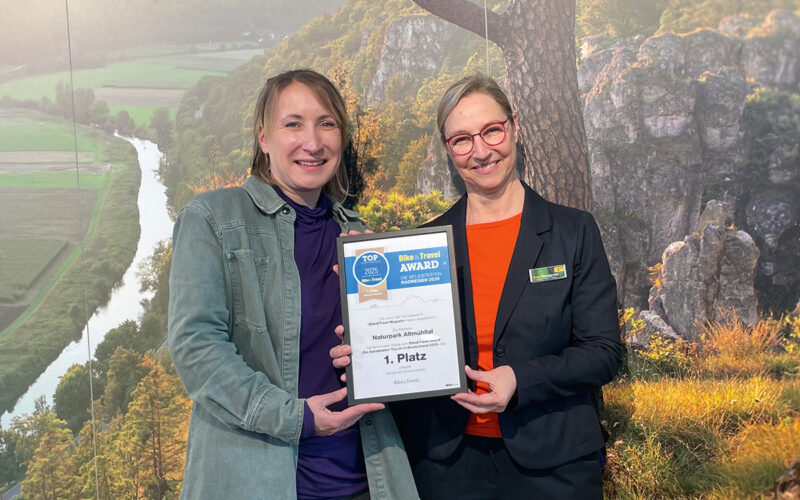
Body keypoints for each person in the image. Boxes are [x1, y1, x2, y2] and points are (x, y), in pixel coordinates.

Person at [332, 74, 623, 499]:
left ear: (514, 128)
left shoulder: (572, 231)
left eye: (491, 130)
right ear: (448, 150)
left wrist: (520, 379)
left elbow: (604, 352)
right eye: (462, 139)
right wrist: (363, 345)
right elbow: (400, 354)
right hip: (444, 465)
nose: (482, 151)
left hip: (555, 463)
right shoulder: (420, 247)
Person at [168, 69, 417, 500]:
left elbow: (391, 358)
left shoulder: (360, 238)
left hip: (365, 480)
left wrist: (381, 318)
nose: (313, 142)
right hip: (258, 483)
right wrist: (296, 418)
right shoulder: (212, 219)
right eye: (293, 124)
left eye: (327, 123)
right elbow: (196, 348)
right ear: (263, 138)